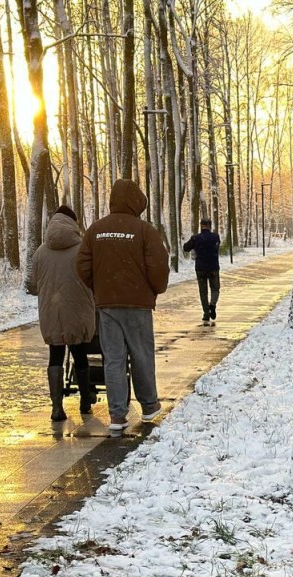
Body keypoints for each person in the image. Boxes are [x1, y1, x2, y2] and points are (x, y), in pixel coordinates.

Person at [77, 180, 170, 433]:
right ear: (136, 202)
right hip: (138, 305)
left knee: (114, 360)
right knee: (141, 355)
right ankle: (149, 405)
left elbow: (82, 266)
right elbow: (159, 267)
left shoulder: (96, 230)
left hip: (107, 306)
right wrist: (154, 289)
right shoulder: (144, 231)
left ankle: (118, 416)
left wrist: (100, 287)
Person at [25, 205, 96, 422]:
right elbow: (92, 278)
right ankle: (85, 400)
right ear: (73, 224)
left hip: (51, 312)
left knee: (55, 355)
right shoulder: (83, 249)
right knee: (80, 353)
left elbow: (34, 284)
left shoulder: (40, 252)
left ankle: (57, 407)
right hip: (77, 310)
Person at [183, 218, 222, 326]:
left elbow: (186, 248)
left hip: (200, 268)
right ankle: (212, 304)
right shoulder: (215, 237)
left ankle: (206, 313)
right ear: (210, 226)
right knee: (215, 288)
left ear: (201, 225)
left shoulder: (196, 238)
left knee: (203, 291)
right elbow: (217, 247)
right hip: (213, 267)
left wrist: (195, 247)